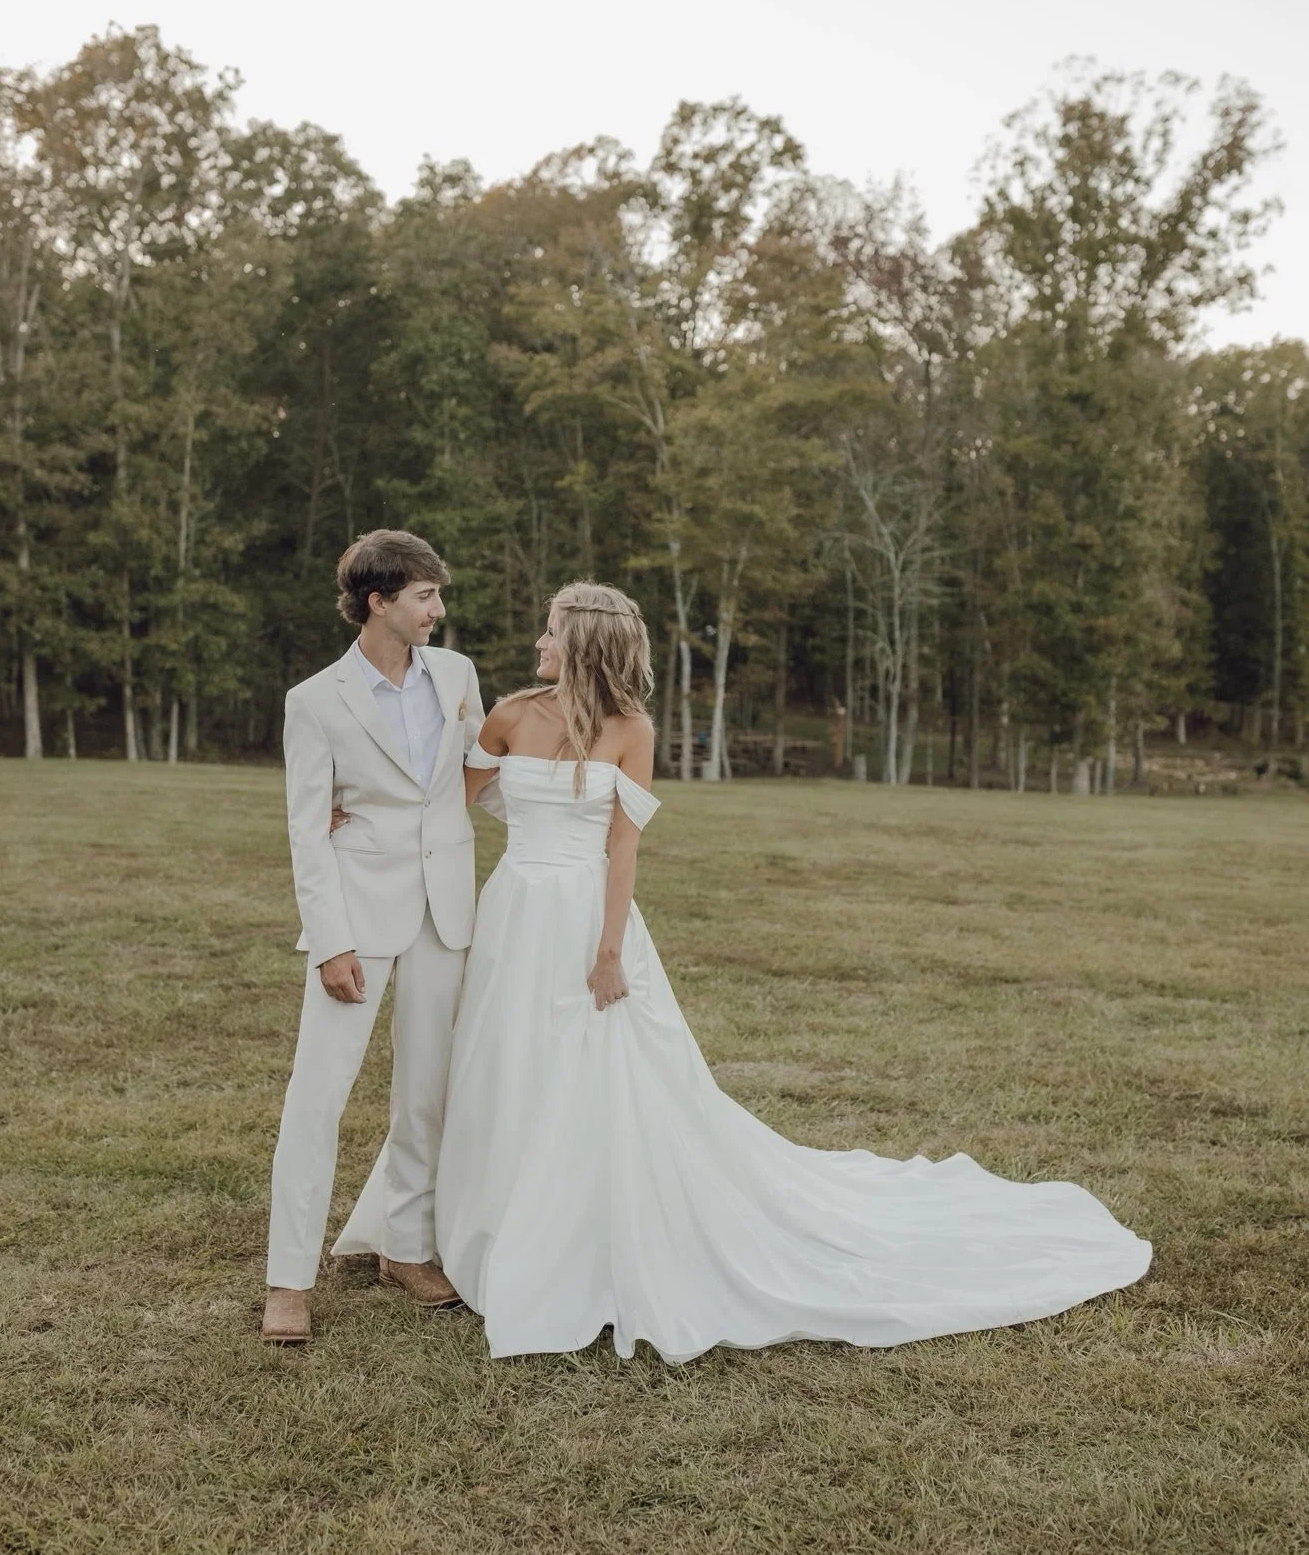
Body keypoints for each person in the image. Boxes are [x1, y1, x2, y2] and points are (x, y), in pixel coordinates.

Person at [344, 579, 1151, 1364]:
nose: (538, 641)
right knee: (498, 1059)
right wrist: (363, 804)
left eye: (552, 629)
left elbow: (623, 847)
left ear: (584, 641)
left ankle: (578, 1231)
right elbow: (451, 798)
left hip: (587, 913)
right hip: (514, 909)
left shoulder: (632, 729)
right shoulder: (512, 713)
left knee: (595, 1070)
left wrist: (609, 950)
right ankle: (469, 1220)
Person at [261, 530, 498, 1345]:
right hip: (357, 918)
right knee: (317, 1097)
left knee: (425, 1092)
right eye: (427, 596)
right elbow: (305, 830)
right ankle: (288, 1279)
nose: (440, 610)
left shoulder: (457, 675)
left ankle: (408, 1246)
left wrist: (568, 800)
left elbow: (474, 777)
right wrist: (329, 941)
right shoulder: (315, 700)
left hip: (445, 911)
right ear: (380, 601)